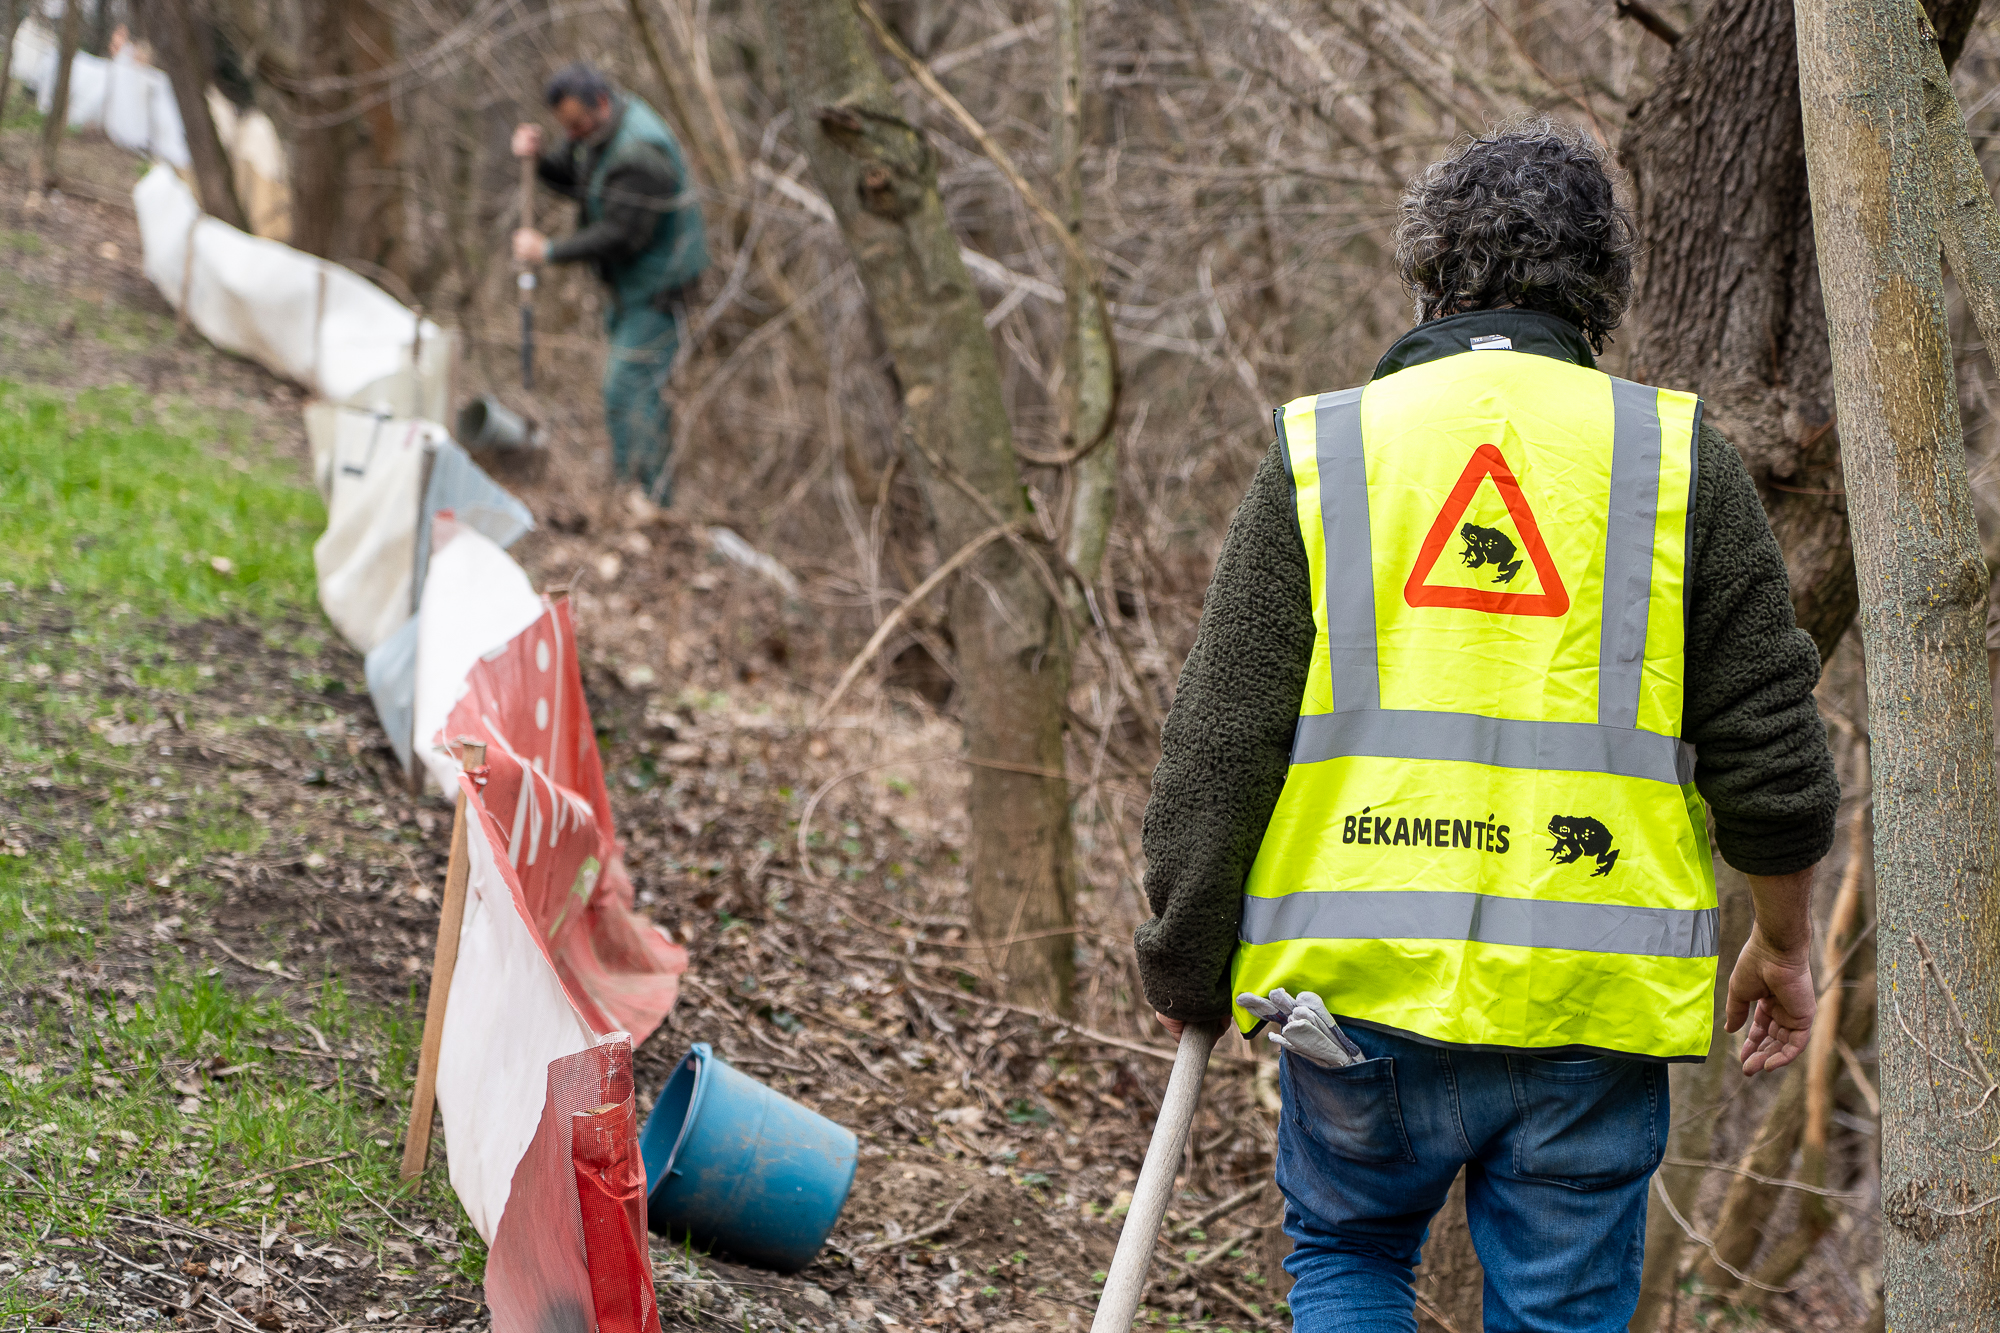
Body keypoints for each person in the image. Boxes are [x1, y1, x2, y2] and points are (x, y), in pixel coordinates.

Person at [1135, 122, 1839, 1333]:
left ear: (1425, 274)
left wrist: (1189, 958)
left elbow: (1216, 750)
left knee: (1348, 1255)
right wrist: (1781, 943)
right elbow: (1770, 760)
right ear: (1603, 292)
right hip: (1587, 1009)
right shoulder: (1676, 462)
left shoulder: (1326, 449)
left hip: (1358, 1001)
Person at [513, 63, 707, 503]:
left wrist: (548, 251)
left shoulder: (641, 152)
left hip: (660, 289)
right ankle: (633, 491)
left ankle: (651, 501)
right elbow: (577, 176)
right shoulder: (598, 132)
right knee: (631, 390)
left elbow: (621, 235)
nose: (573, 136)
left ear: (601, 103)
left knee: (628, 386)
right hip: (632, 287)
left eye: (577, 126)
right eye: (566, 128)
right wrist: (539, 158)